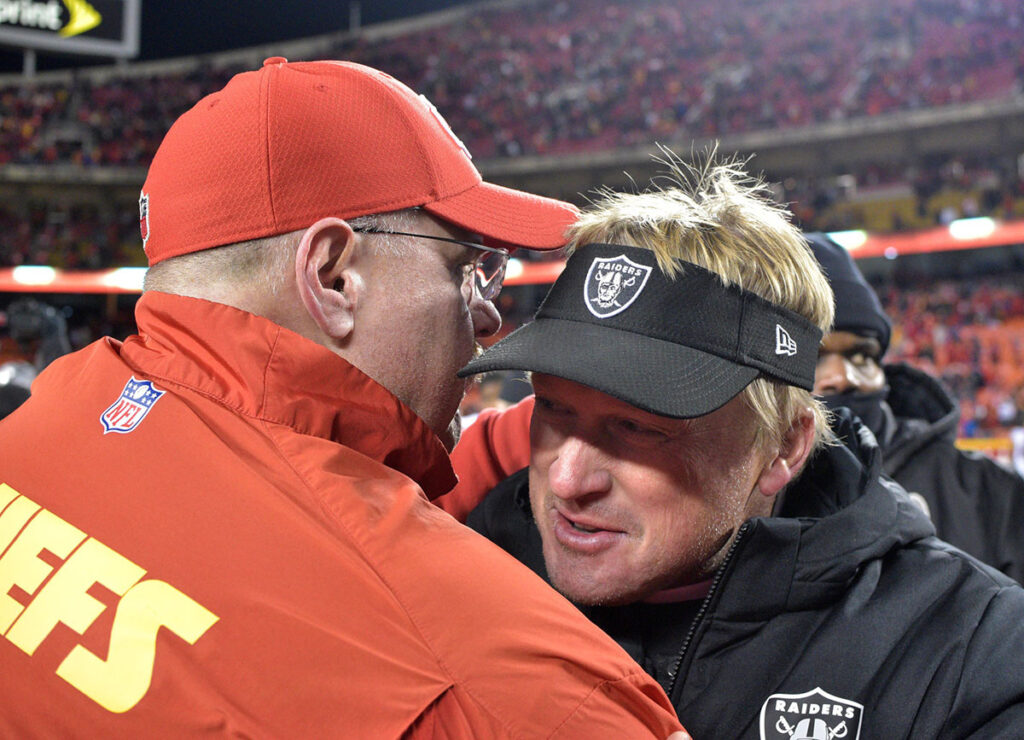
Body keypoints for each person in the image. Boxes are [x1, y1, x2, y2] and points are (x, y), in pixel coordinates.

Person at [0, 58, 687, 738]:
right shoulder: (517, 696)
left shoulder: (47, 413)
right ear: (332, 277)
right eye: (467, 266)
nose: (485, 314)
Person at [440, 155, 1024, 738]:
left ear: (783, 448)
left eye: (640, 427)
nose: (567, 480)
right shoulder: (458, 569)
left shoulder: (969, 650)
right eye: (553, 409)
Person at [807, 232, 1024, 583]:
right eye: (813, 357)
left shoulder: (991, 496)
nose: (842, 377)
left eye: (861, 355)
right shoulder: (736, 504)